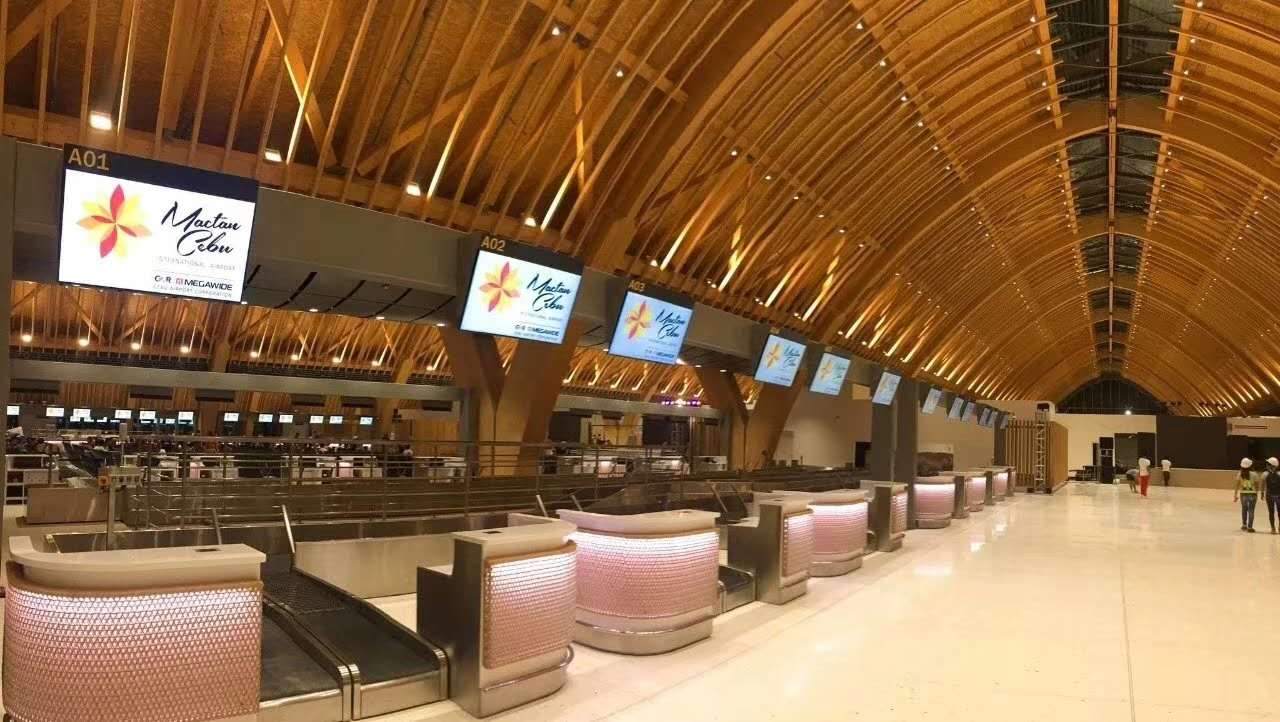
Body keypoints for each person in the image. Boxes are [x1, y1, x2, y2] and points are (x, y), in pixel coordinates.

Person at [1235, 458, 1259, 533]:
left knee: (1244, 509)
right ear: (1250, 466)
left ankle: (1244, 525)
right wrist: (1256, 493)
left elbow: (1237, 485)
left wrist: (1235, 495)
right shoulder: (1254, 474)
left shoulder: (1240, 474)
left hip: (1243, 494)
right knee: (1251, 510)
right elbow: (1257, 485)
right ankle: (1250, 527)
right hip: (1252, 494)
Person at [1265, 457, 1280, 534]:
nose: (1266, 465)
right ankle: (1275, 527)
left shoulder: (1265, 474)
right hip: (1276, 496)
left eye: (1268, 464)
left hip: (1270, 496)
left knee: (1272, 512)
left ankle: (1273, 528)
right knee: (1276, 512)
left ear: (1272, 465)